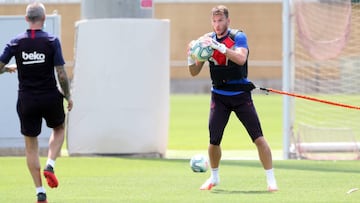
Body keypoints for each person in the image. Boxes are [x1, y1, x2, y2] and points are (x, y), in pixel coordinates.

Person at [187, 5, 278, 191]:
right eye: (214, 21)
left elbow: (241, 59)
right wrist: (190, 57)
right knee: (214, 141)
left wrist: (221, 48)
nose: (217, 24)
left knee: (258, 138)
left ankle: (271, 180)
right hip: (219, 96)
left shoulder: (238, 37)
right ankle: (214, 178)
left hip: (240, 95)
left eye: (220, 20)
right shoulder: (207, 40)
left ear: (228, 21)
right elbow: (195, 72)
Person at [0, 2, 73, 203]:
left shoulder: (16, 42)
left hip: (27, 100)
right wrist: (68, 96)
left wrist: (7, 69)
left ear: (26, 19)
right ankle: (50, 164)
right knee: (59, 129)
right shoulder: (51, 41)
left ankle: (40, 192)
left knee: (31, 147)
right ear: (44, 19)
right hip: (50, 96)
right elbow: (61, 73)